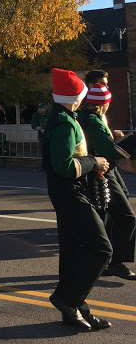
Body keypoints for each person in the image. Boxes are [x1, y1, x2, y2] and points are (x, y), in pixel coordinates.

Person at [44, 68, 112, 330]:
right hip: (69, 192)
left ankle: (76, 307)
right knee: (102, 248)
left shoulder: (64, 118)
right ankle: (67, 299)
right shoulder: (63, 123)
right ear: (74, 97)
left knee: (73, 250)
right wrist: (93, 161)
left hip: (70, 191)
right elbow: (63, 166)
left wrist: (91, 163)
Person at [79, 83, 136, 281]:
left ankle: (102, 262)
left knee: (105, 219)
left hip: (98, 171)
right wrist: (132, 139)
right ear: (104, 103)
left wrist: (118, 138)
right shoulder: (92, 121)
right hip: (100, 172)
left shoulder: (90, 118)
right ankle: (116, 263)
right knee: (126, 217)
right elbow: (110, 152)